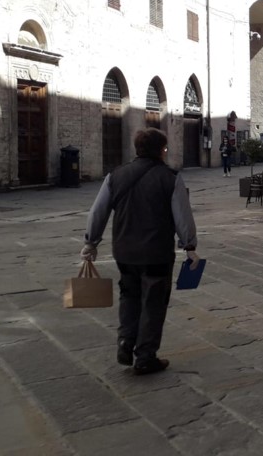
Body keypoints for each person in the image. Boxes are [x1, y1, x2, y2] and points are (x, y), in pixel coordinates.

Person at [80, 128, 199, 375]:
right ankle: (145, 356)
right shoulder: (170, 178)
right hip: (156, 253)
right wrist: (189, 246)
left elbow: (98, 211)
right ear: (161, 150)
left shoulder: (116, 175)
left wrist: (91, 242)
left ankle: (125, 340)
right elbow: (182, 217)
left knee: (129, 296)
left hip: (124, 251)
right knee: (154, 303)